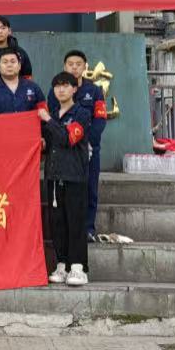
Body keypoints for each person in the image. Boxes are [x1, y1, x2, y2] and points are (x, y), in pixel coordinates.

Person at [47, 50, 108, 241]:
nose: (74, 67)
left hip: (88, 149)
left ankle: (88, 228)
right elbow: (53, 120)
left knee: (90, 188)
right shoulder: (56, 91)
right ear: (64, 66)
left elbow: (100, 119)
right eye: (70, 64)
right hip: (64, 151)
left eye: (78, 64)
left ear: (85, 66)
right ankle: (68, 232)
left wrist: (88, 142)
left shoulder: (94, 91)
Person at [43, 72, 92, 287]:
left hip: (74, 176)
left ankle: (78, 267)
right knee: (57, 223)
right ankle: (62, 264)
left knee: (75, 222)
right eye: (57, 86)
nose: (61, 90)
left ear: (74, 89)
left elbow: (67, 138)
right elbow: (49, 143)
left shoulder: (81, 114)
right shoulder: (54, 114)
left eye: (65, 86)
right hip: (54, 175)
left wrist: (47, 120)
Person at [0, 49, 48, 117]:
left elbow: (44, 112)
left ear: (19, 66)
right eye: (5, 62)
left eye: (13, 61)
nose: (9, 65)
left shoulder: (33, 87)